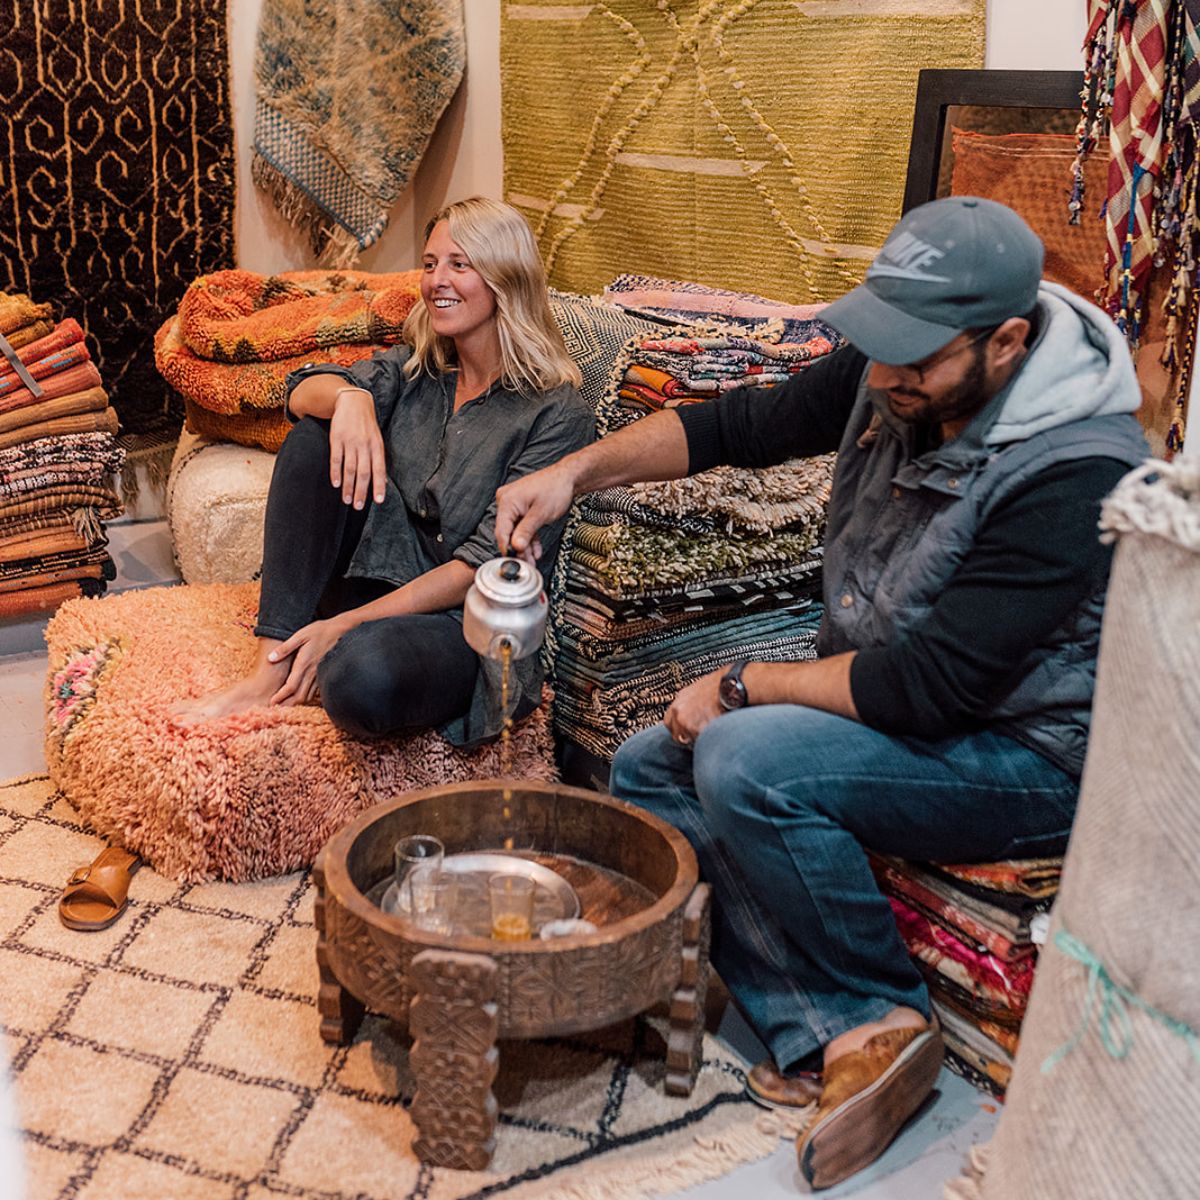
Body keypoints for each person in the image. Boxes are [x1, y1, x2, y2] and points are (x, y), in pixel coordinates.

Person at [492, 197, 1148, 1189]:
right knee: (644, 766)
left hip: (1026, 756)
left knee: (744, 755)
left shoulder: (1076, 472)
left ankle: (888, 1013)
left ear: (1007, 342)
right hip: (907, 696)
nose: (883, 378)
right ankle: (831, 1024)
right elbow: (740, 426)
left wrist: (746, 682)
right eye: (880, 348)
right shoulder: (901, 364)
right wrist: (571, 474)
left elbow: (928, 690)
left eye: (913, 360)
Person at [173, 197, 593, 746]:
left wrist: (343, 626)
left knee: (359, 680)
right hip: (375, 575)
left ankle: (335, 650)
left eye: (458, 265)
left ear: (504, 277)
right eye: (429, 263)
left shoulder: (555, 412)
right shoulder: (421, 365)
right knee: (314, 437)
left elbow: (481, 567)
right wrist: (351, 399)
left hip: (462, 624)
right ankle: (269, 667)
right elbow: (300, 390)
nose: (436, 280)